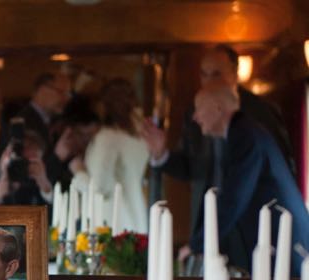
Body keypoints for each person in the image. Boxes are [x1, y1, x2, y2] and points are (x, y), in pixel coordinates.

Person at [140, 45, 295, 245]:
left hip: (253, 222)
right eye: (204, 74)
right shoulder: (194, 112)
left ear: (235, 74)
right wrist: (161, 154)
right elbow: (191, 167)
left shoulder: (259, 112)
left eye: (216, 74)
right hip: (209, 218)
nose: (209, 81)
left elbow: (282, 167)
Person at [184, 84, 309, 275]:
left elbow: (233, 199)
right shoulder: (243, 131)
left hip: (286, 245)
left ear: (217, 108)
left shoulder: (244, 135)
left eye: (198, 108)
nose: (195, 117)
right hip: (277, 244)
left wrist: (197, 245)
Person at [71, 78, 149, 233]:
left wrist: (78, 170)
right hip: (137, 216)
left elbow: (101, 187)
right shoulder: (140, 137)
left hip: (111, 223)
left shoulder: (107, 138)